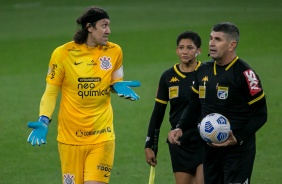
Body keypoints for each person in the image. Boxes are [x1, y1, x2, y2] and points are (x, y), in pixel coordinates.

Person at [26, 6, 140, 184]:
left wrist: (117, 87)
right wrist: (43, 120)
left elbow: (115, 81)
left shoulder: (114, 51)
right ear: (90, 27)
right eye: (104, 25)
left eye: (108, 25)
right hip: (70, 138)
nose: (108, 30)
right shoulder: (62, 54)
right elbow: (50, 92)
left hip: (102, 135)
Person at [168, 22, 268, 184]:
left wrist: (238, 137)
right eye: (210, 38)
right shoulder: (202, 71)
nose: (211, 43)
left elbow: (261, 114)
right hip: (208, 149)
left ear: (231, 45)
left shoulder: (245, 74)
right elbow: (194, 104)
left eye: (218, 39)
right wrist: (180, 126)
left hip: (237, 152)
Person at [145, 31, 204, 184]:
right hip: (179, 141)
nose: (185, 52)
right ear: (177, 50)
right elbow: (158, 113)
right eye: (181, 47)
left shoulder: (207, 73)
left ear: (199, 51)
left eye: (190, 48)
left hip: (204, 139)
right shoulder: (168, 77)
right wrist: (149, 144)